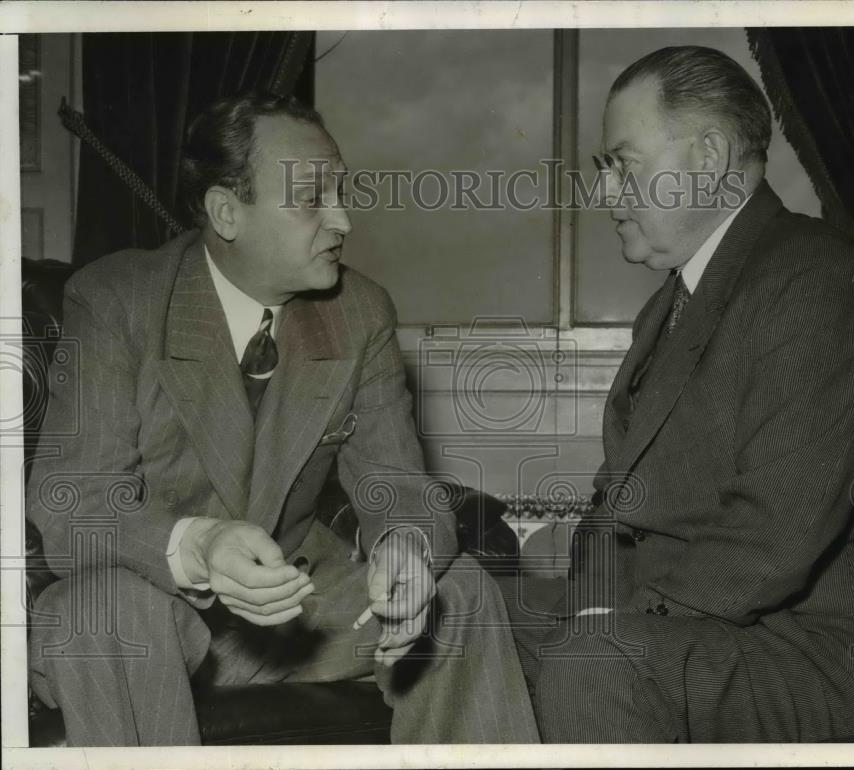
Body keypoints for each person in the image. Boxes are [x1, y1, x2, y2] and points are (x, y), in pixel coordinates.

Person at [26, 92, 539, 746]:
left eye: (341, 193)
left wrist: (403, 547)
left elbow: (399, 485)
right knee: (107, 612)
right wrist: (200, 546)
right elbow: (71, 502)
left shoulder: (360, 312)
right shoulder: (116, 300)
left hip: (298, 616)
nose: (343, 220)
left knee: (460, 593)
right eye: (310, 200)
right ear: (227, 212)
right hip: (146, 611)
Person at [506, 45, 854, 743]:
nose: (603, 193)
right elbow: (613, 505)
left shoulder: (816, 281)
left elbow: (775, 533)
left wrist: (606, 625)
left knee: (594, 661)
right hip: (713, 632)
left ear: (710, 154)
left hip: (833, 652)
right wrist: (585, 608)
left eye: (623, 163)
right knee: (460, 621)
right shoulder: (675, 303)